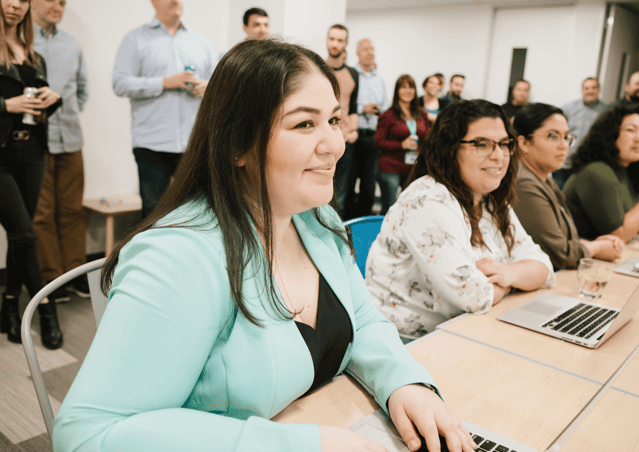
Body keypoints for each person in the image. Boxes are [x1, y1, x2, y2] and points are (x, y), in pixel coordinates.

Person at [52, 39, 477, 452]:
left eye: (333, 120)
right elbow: (88, 433)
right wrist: (306, 445)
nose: (335, 144)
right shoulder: (179, 257)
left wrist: (405, 383)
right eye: (304, 124)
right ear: (237, 144)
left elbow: (363, 322)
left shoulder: (316, 219)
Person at [366, 100, 553, 339]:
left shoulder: (490, 201)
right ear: (450, 148)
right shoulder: (427, 200)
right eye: (482, 144)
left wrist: (506, 274)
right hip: (404, 342)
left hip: (462, 332)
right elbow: (473, 297)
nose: (498, 155)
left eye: (504, 144)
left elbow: (544, 267)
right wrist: (514, 280)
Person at [112, 0, 217, 218]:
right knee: (153, 216)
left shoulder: (200, 41)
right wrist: (165, 82)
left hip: (194, 144)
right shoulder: (135, 39)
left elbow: (219, 83)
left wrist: (207, 86)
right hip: (152, 144)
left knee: (198, 214)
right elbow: (120, 83)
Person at [0, 0, 63, 349]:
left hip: (32, 152)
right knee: (25, 233)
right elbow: (11, 104)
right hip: (1, 157)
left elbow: (37, 105)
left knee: (19, 237)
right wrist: (5, 105)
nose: (15, 5)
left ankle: (9, 307)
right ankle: (46, 309)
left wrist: (52, 98)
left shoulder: (32, 54)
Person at [512, 103, 624, 270]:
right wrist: (597, 247)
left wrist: (591, 244)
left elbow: (566, 239)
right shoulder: (523, 183)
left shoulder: (545, 178)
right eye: (553, 136)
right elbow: (560, 255)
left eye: (566, 137)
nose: (563, 145)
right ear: (524, 143)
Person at [32, 0, 90, 302]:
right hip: (35, 142)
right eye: (52, 0)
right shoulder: (19, 42)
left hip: (70, 139)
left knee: (72, 211)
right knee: (41, 214)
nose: (58, 5)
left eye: (63, 2)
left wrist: (66, 113)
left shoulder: (72, 44)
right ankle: (53, 280)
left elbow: (82, 91)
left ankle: (76, 274)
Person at [563, 102, 639, 242]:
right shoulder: (597, 171)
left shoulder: (628, 171)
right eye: (631, 130)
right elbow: (618, 236)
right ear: (610, 133)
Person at [375, 74, 430, 215]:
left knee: (409, 208)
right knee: (389, 209)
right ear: (397, 91)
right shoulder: (388, 115)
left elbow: (427, 137)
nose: (407, 91)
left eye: (410, 87)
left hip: (412, 168)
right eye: (403, 87)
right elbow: (378, 141)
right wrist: (402, 145)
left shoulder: (421, 114)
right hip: (390, 168)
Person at [347, 37, 388, 218]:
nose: (370, 52)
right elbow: (344, 103)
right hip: (353, 135)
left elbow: (385, 106)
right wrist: (362, 108)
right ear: (357, 53)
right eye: (365, 49)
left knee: (368, 184)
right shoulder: (350, 75)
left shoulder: (380, 79)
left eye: (372, 49)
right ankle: (346, 221)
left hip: (373, 137)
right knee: (348, 181)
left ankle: (363, 221)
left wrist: (378, 109)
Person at [325, 24, 358, 219]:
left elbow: (352, 106)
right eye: (332, 39)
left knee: (341, 191)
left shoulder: (353, 74)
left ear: (346, 43)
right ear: (327, 40)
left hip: (345, 138)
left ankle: (337, 227)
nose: (335, 44)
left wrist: (354, 131)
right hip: (322, 137)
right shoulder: (316, 68)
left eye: (339, 40)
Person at [553, 77, 606, 188]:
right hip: (564, 163)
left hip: (587, 165)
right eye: (586, 88)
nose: (590, 91)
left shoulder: (606, 111)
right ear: (582, 90)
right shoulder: (568, 108)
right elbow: (555, 130)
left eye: (593, 87)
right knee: (557, 194)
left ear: (599, 89)